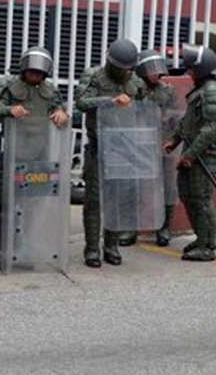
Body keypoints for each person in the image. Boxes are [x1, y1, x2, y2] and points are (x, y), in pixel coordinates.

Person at [0, 46, 69, 270]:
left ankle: (25, 249)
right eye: (32, 72)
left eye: (39, 73)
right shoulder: (8, 87)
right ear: (24, 70)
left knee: (32, 206)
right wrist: (9, 110)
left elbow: (59, 110)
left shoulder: (50, 91)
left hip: (39, 156)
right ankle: (1, 249)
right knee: (6, 204)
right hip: (14, 154)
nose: (35, 76)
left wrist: (62, 113)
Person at [74, 39, 144, 267]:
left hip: (123, 146)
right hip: (98, 144)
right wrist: (110, 101)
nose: (126, 71)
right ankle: (92, 249)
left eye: (129, 68)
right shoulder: (93, 76)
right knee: (94, 200)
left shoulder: (135, 81)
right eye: (122, 67)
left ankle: (111, 245)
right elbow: (81, 102)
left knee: (117, 199)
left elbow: (144, 108)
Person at [164, 45, 216, 262]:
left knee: (201, 199)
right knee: (187, 194)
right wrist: (174, 141)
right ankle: (201, 238)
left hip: (205, 155)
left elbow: (210, 129)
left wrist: (189, 155)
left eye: (191, 68)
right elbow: (188, 122)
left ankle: (207, 245)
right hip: (193, 151)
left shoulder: (212, 92)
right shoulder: (200, 89)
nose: (188, 71)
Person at [135, 49, 179, 247]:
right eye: (151, 70)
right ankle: (131, 228)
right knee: (134, 186)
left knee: (167, 187)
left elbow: (174, 118)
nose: (156, 74)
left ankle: (164, 228)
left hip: (161, 144)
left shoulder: (167, 90)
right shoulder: (134, 89)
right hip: (137, 144)